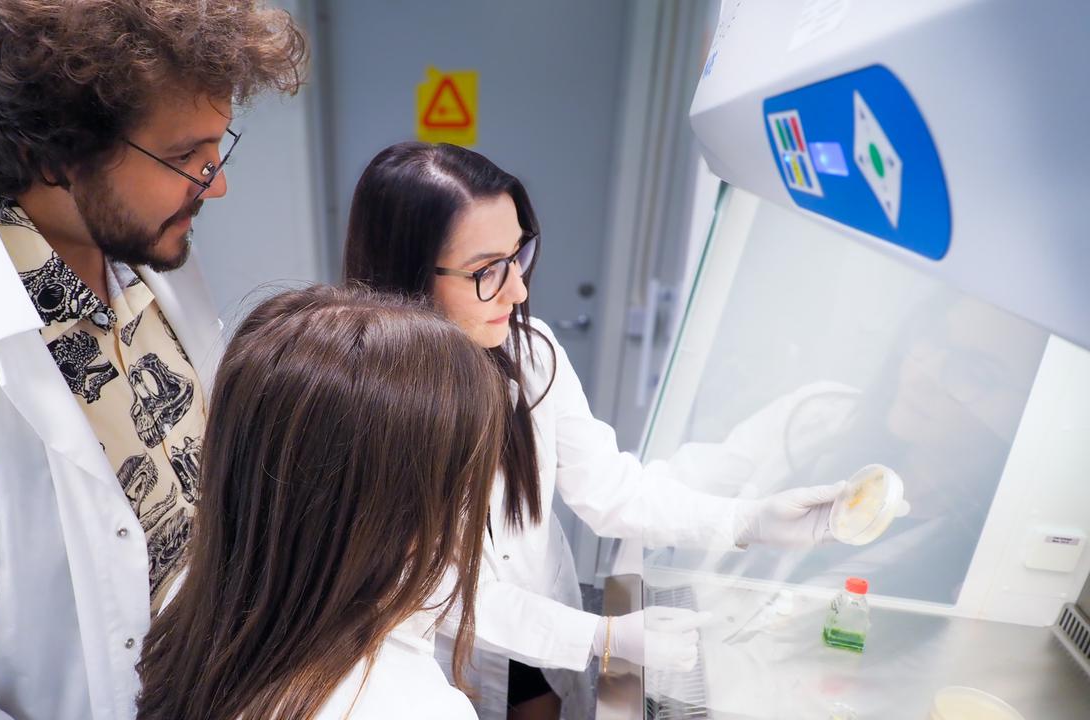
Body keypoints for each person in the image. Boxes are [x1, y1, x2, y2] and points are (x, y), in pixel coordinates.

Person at [0, 2, 303, 718]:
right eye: (182, 156)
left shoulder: (128, 243)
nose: (215, 182)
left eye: (216, 145)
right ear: (52, 149)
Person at [342, 142, 851, 720]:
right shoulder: (366, 412)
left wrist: (747, 519)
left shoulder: (531, 357)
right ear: (405, 273)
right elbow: (442, 595)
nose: (518, 291)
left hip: (539, 645)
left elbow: (612, 491)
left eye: (518, 255)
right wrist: (600, 638)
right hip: (438, 662)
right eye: (486, 271)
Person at [135, 285, 505, 720]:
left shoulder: (192, 605)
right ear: (388, 508)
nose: (460, 511)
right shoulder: (411, 706)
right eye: (455, 486)